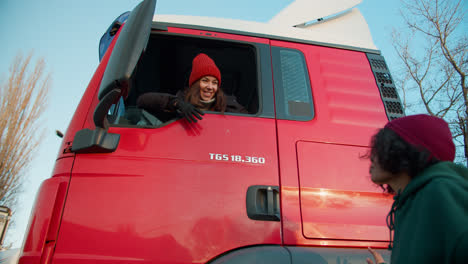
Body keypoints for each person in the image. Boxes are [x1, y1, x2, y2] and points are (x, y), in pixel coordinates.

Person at [364, 114, 468, 264]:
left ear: (405, 151)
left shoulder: (440, 192)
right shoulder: (409, 204)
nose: (372, 157)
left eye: (382, 148)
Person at [137, 53, 247, 123]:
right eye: (205, 81)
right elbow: (142, 101)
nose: (210, 87)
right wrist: (176, 103)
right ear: (195, 85)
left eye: (214, 83)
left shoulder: (228, 104)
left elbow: (251, 121)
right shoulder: (182, 101)